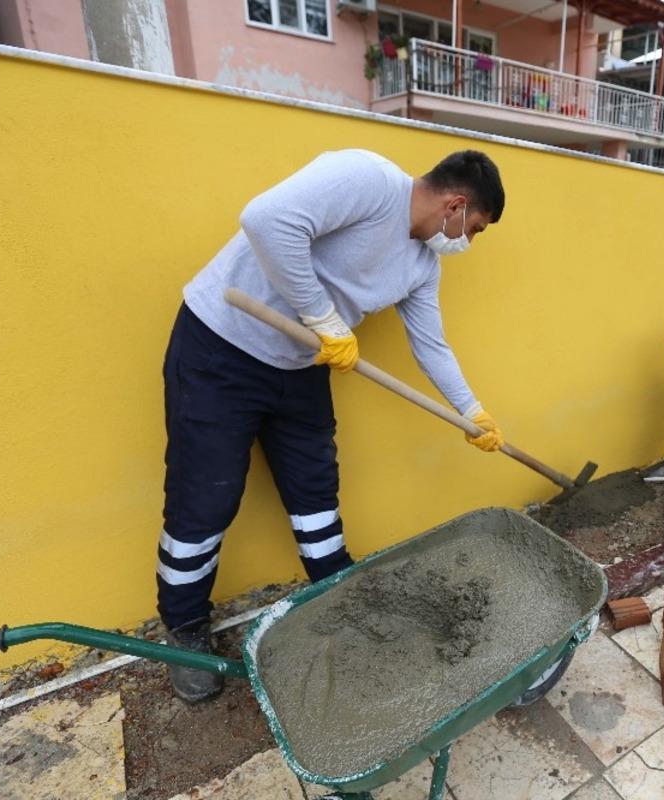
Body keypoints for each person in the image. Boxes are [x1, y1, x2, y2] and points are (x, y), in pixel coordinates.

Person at [158, 149, 506, 702]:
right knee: (205, 500)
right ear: (457, 206)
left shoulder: (421, 265)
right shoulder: (368, 180)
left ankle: (336, 594)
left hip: (299, 366)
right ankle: (183, 630)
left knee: (315, 489)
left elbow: (430, 344)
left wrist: (471, 412)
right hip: (222, 348)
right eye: (476, 229)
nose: (469, 240)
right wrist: (323, 318)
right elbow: (267, 221)